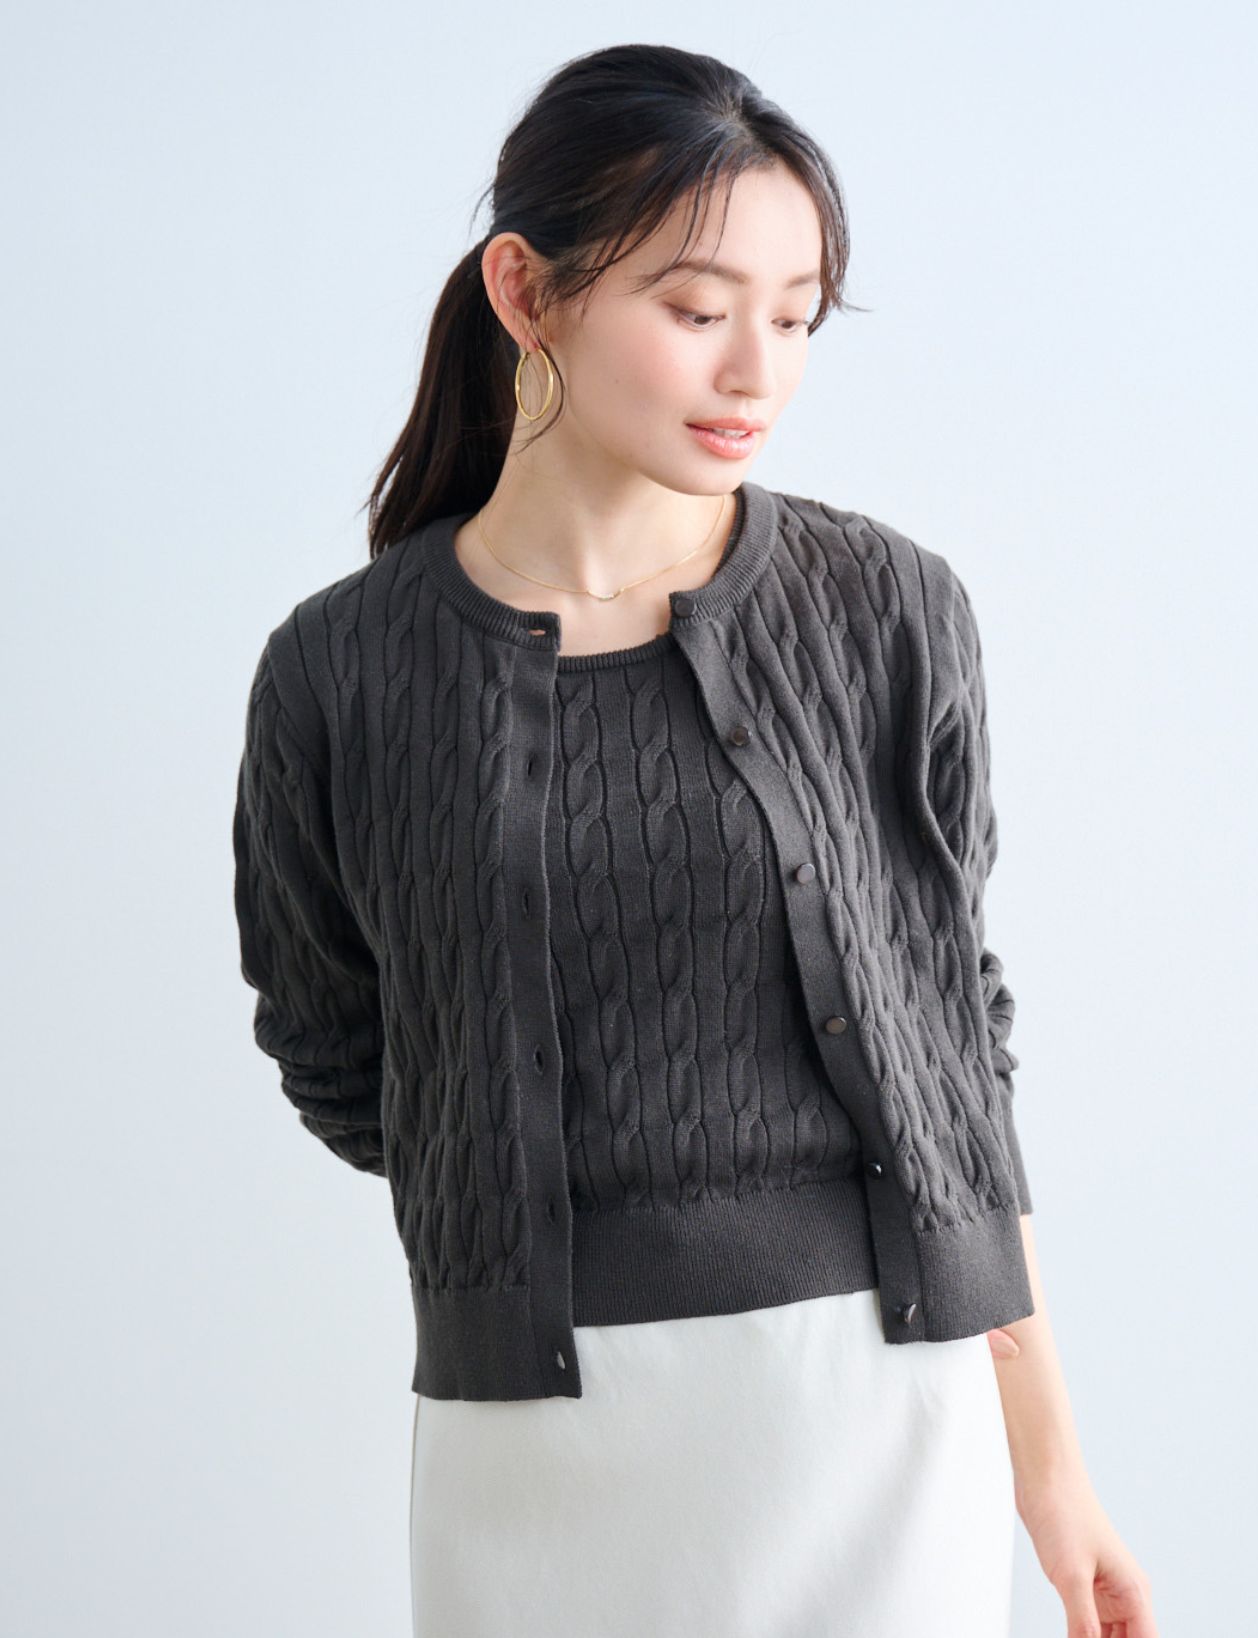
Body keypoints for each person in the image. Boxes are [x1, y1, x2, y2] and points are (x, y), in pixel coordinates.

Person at [232, 41, 1158, 1638]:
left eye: (794, 318)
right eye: (696, 307)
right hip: (533, 1433)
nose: (756, 374)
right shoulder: (343, 669)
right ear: (526, 292)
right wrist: (517, 1169)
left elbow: (951, 1046)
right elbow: (336, 1053)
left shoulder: (886, 610)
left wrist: (1050, 1467)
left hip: (874, 1405)